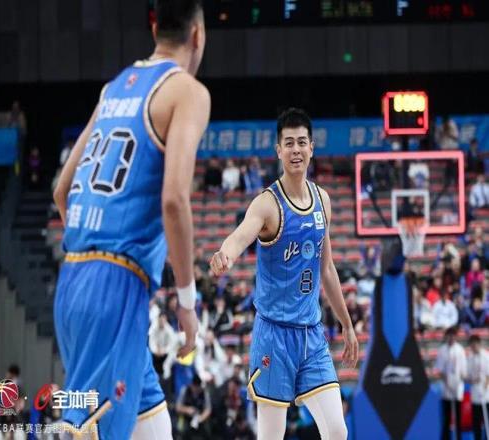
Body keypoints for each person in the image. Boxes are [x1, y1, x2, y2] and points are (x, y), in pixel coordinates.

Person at [52, 1, 209, 438]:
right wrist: (187, 303)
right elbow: (174, 200)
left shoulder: (113, 89)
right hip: (114, 287)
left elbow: (62, 190)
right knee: (87, 430)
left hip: (74, 278)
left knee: (154, 427)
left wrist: (93, 253)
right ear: (198, 35)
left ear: (154, 28)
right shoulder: (187, 92)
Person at [210, 108, 358, 440]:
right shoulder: (267, 204)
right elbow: (241, 235)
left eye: (301, 142)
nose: (296, 149)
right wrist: (226, 254)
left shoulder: (322, 200)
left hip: (311, 335)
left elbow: (327, 268)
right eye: (288, 143)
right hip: (273, 336)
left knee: (337, 430)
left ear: (312, 148)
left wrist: (347, 324)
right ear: (278, 150)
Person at [435, 327, 467, 440]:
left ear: (456, 337)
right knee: (447, 418)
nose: (451, 338)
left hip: (457, 388)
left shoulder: (460, 350)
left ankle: (458, 437)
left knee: (457, 417)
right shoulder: (442, 350)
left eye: (453, 335)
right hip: (446, 388)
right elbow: (440, 370)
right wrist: (447, 382)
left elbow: (463, 371)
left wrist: (458, 383)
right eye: (449, 335)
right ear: (446, 336)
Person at [466, 334, 489, 440]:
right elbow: (467, 377)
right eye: (471, 345)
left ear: (479, 344)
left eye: (475, 344)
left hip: (486, 396)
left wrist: (485, 386)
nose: (473, 347)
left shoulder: (486, 356)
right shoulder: (469, 358)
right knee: (477, 423)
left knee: (487, 422)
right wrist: (473, 380)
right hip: (475, 396)